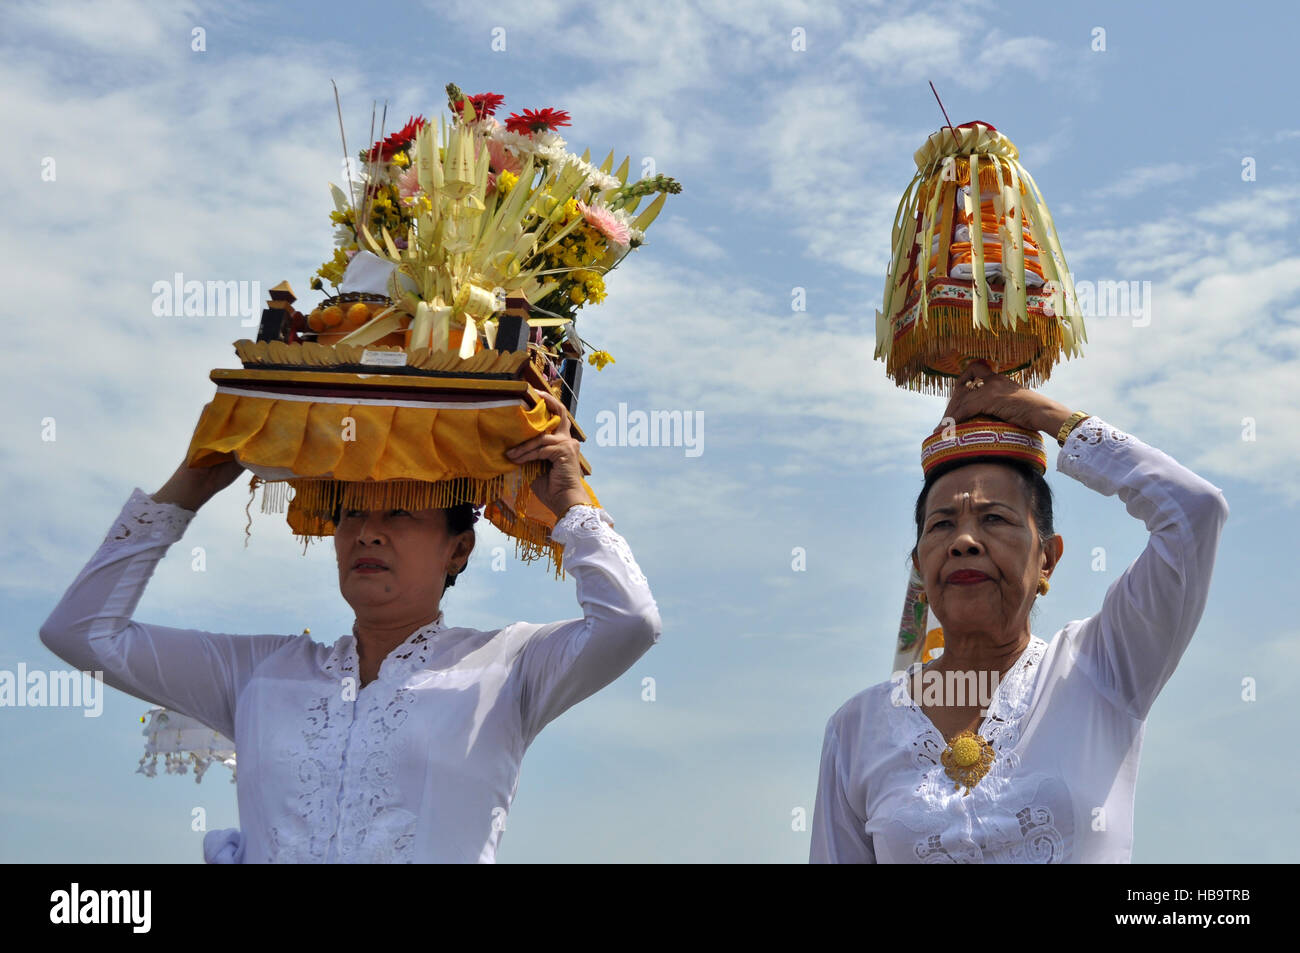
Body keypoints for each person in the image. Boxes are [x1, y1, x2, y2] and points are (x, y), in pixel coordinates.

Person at [40, 390, 661, 863]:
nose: (368, 531)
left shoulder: (509, 666)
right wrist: (190, 486)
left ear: (458, 550)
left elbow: (629, 622)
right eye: (352, 514)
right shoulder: (261, 674)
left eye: (400, 511)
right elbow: (81, 633)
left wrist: (572, 502)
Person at [810, 360, 1229, 863]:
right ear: (920, 563)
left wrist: (1042, 413)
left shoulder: (1101, 669)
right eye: (942, 525)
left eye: (994, 518)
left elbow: (1194, 510)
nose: (965, 540)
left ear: (1047, 557)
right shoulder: (857, 731)